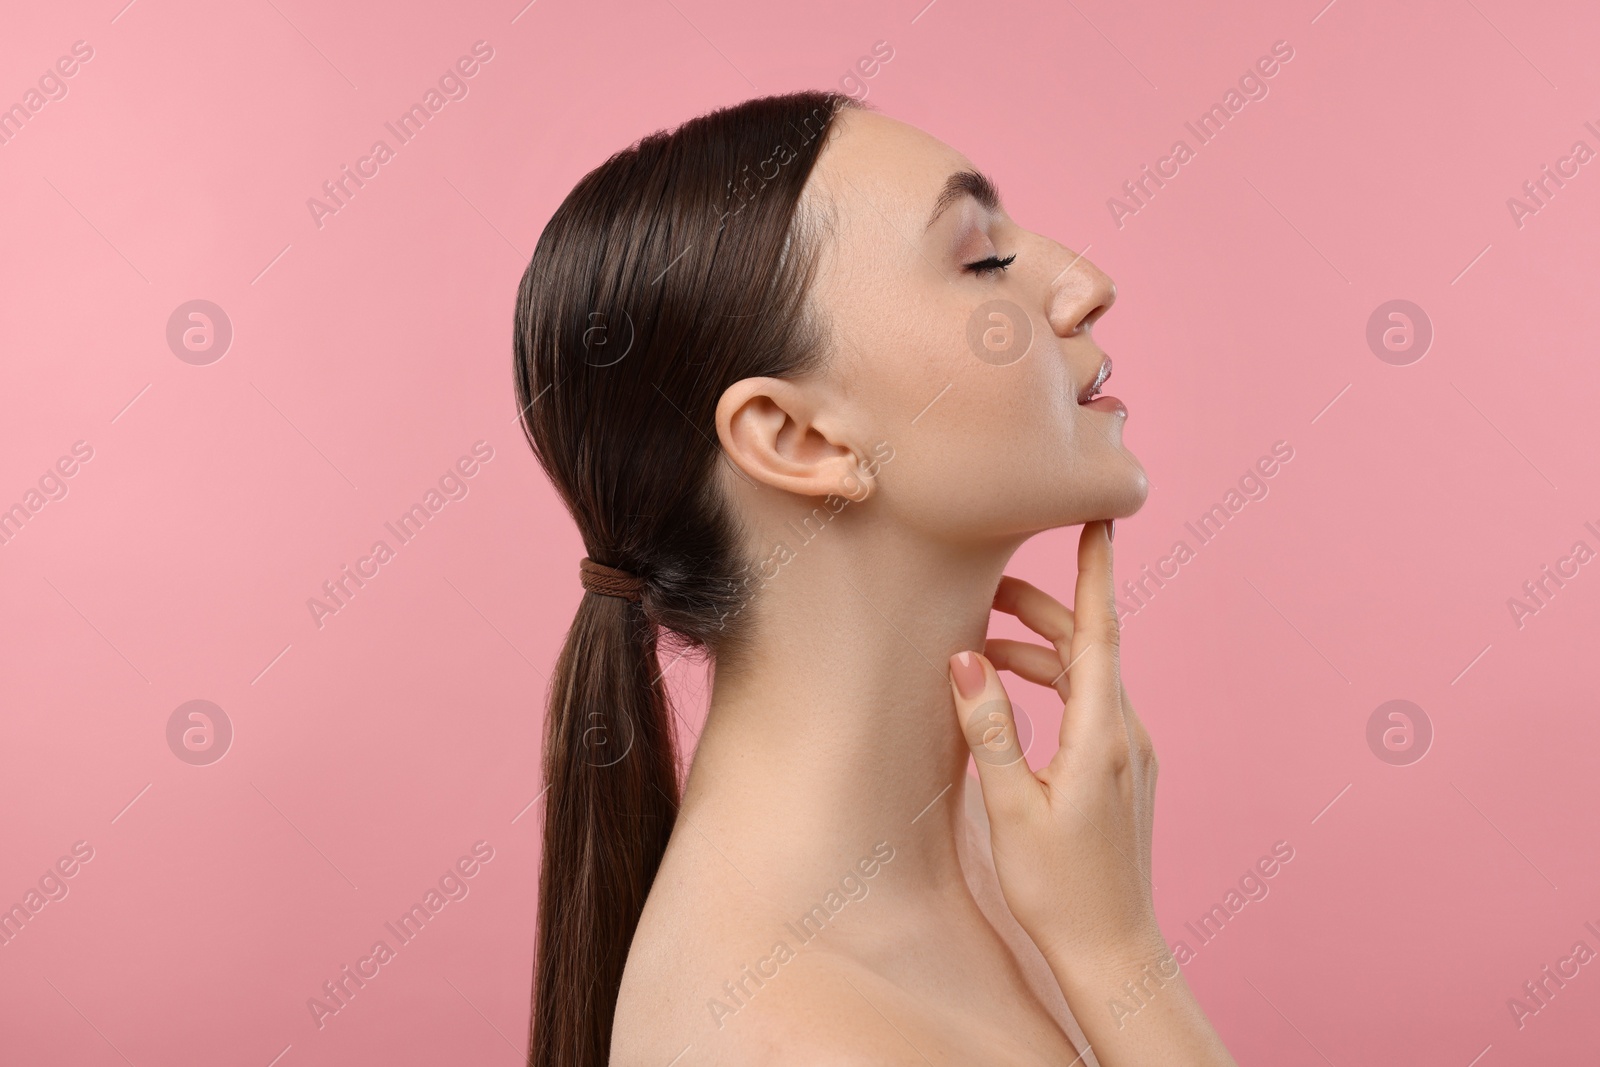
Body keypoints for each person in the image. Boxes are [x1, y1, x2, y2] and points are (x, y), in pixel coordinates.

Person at [512, 89, 1236, 1067]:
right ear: (798, 436)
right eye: (980, 260)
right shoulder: (785, 1033)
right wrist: (1117, 956)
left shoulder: (1014, 853)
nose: (1084, 283)